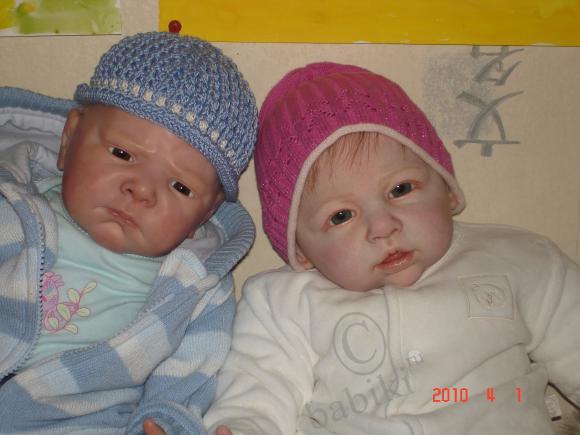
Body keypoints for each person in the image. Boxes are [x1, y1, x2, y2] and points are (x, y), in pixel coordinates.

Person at [203, 62, 580, 435]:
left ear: (447, 187)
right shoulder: (284, 304)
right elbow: (259, 388)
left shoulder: (520, 260)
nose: (383, 226)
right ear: (300, 250)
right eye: (341, 216)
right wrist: (246, 427)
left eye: (400, 190)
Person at [0, 31, 257, 434]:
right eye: (123, 154)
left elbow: (186, 383)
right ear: (69, 138)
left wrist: (166, 424)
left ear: (205, 214)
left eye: (181, 187)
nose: (141, 190)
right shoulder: (12, 206)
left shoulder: (196, 288)